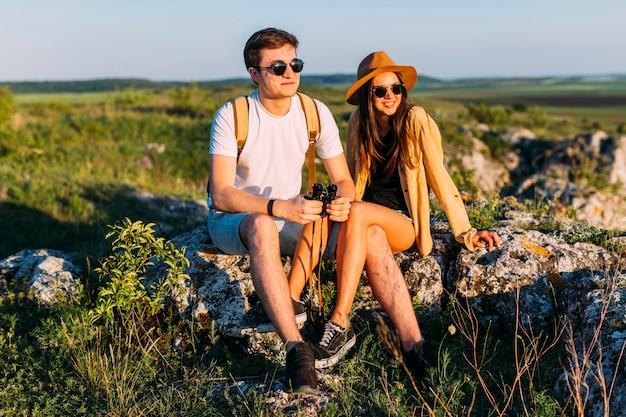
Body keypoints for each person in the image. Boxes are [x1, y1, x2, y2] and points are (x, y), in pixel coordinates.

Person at [313, 51, 501, 377]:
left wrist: (466, 231)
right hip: (366, 222)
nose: (390, 97)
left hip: (404, 221)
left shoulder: (416, 120)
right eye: (380, 91)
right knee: (365, 227)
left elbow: (440, 176)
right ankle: (416, 350)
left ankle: (339, 321)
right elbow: (351, 180)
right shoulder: (359, 123)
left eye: (396, 89)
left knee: (358, 214)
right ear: (366, 97)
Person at [207, 28, 355, 393]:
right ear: (254, 73)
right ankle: (296, 348)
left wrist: (341, 200)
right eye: (277, 66)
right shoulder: (233, 115)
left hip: (292, 217)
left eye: (295, 63)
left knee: (358, 226)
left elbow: (344, 180)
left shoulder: (313, 111)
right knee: (261, 226)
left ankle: (345, 325)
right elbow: (222, 194)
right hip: (236, 221)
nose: (289, 72)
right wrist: (277, 207)